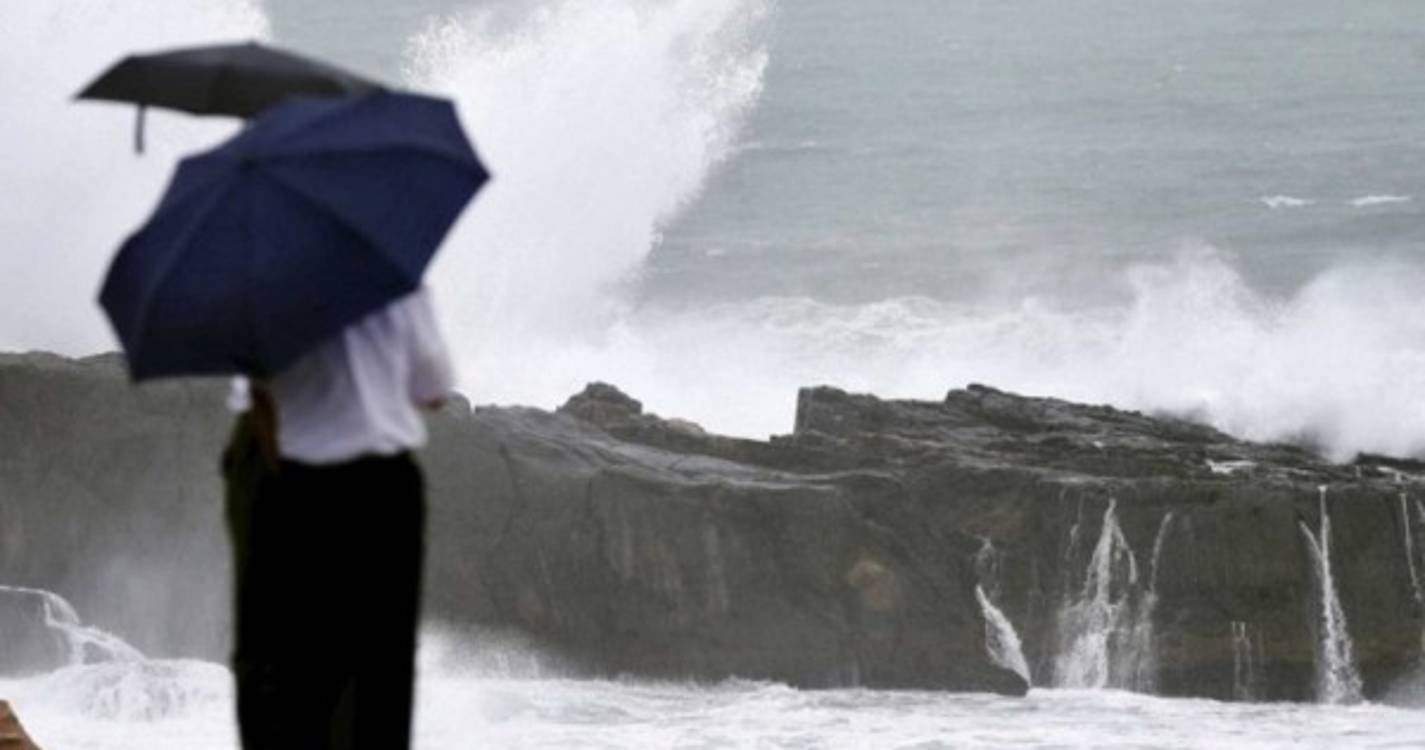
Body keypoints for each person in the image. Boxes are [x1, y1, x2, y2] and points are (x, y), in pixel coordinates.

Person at [221, 286, 454, 750]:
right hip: (376, 484)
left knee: (274, 659)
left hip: (280, 474)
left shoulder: (261, 288)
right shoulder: (392, 282)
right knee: (379, 663)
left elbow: (253, 392)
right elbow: (434, 390)